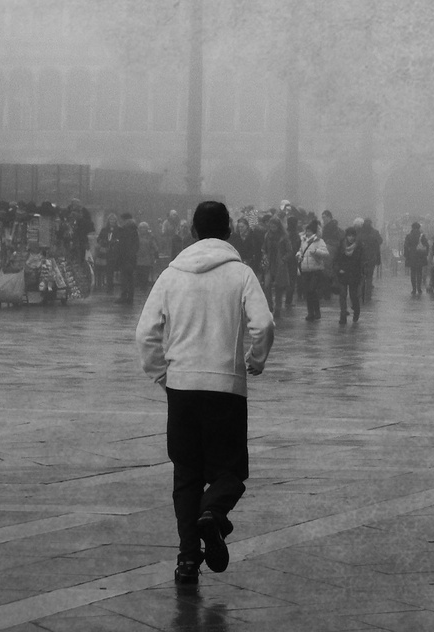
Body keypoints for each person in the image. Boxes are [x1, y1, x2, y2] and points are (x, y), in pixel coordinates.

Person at [136, 200, 274, 588]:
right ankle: (213, 513)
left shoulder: (170, 274)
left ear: (193, 231)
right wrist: (256, 359)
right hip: (225, 388)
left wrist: (161, 373)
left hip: (181, 387)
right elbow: (263, 323)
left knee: (186, 476)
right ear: (229, 230)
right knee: (230, 472)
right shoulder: (241, 274)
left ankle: (186, 561)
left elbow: (145, 333)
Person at [296, 218, 331, 322]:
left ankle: (316, 311)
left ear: (314, 232)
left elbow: (326, 254)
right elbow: (301, 251)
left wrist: (316, 251)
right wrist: (298, 255)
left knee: (312, 290)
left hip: (316, 270)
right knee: (308, 292)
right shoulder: (303, 241)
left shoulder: (320, 241)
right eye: (307, 231)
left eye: (310, 231)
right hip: (305, 269)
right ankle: (310, 312)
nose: (307, 233)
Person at [333, 224, 364, 325]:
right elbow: (336, 260)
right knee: (342, 295)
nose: (351, 237)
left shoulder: (359, 247)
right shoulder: (341, 246)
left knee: (353, 296)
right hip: (343, 274)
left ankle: (356, 310)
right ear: (346, 236)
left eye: (353, 235)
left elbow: (360, 261)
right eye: (349, 235)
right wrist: (338, 269)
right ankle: (343, 316)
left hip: (354, 275)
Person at [262, 216, 289, 318]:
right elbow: (264, 248)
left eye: (274, 225)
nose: (272, 227)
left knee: (279, 287)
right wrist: (264, 255)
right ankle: (269, 306)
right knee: (267, 286)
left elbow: (289, 251)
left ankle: (278, 308)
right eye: (271, 225)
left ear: (278, 226)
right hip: (269, 264)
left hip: (279, 265)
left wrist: (283, 259)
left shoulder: (284, 237)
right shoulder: (267, 235)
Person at [112, 212, 141, 306]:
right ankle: (130, 297)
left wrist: (123, 255)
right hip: (130, 258)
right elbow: (135, 245)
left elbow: (124, 245)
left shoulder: (126, 229)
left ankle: (124, 296)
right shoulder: (134, 229)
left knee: (125, 277)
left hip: (125, 257)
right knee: (130, 278)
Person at [359, 217, 382, 302]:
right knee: (369, 277)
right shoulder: (375, 233)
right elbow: (380, 241)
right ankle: (368, 295)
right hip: (372, 257)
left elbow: (356, 242)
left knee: (361, 276)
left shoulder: (360, 232)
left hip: (361, 258)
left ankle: (361, 294)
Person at [403, 221, 429, 297]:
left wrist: (406, 255)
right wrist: (425, 254)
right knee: (419, 272)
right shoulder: (422, 236)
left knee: (413, 272)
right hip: (420, 256)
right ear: (419, 228)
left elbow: (405, 246)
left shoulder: (409, 236)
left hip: (412, 256)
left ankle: (414, 289)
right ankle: (419, 288)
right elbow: (427, 245)